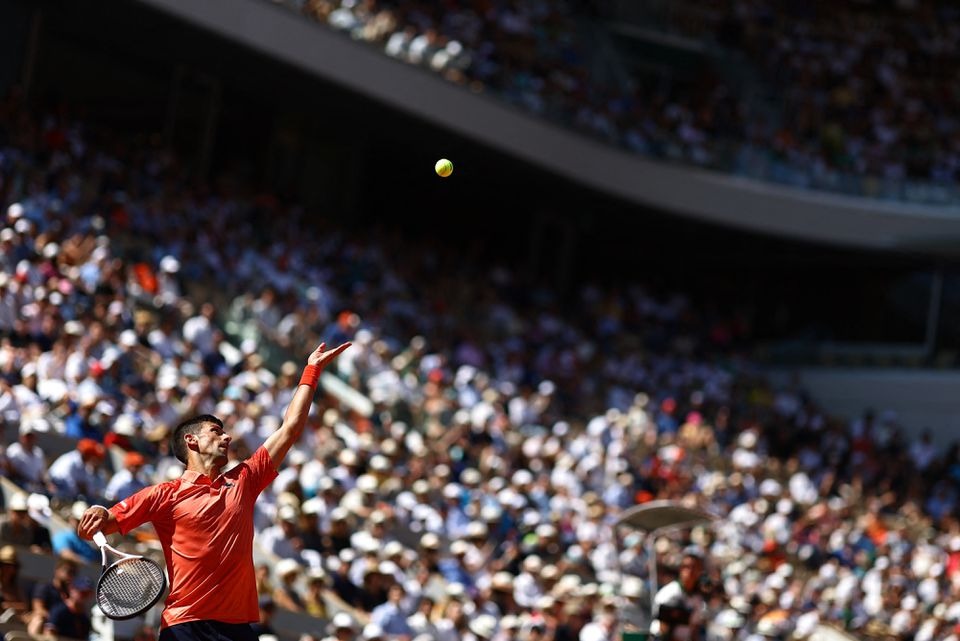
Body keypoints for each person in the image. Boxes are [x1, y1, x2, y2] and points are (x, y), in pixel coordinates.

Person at [77, 341, 350, 641]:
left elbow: (290, 428)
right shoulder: (163, 494)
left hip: (237, 630)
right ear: (192, 441)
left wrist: (311, 371)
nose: (227, 437)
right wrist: (96, 513)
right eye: (216, 432)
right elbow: (101, 524)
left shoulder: (245, 479)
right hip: (185, 626)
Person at [652, 548, 717, 641]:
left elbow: (694, 630)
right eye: (686, 566)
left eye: (694, 567)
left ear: (700, 571)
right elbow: (662, 629)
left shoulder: (697, 598)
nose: (690, 571)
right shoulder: (669, 593)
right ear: (680, 569)